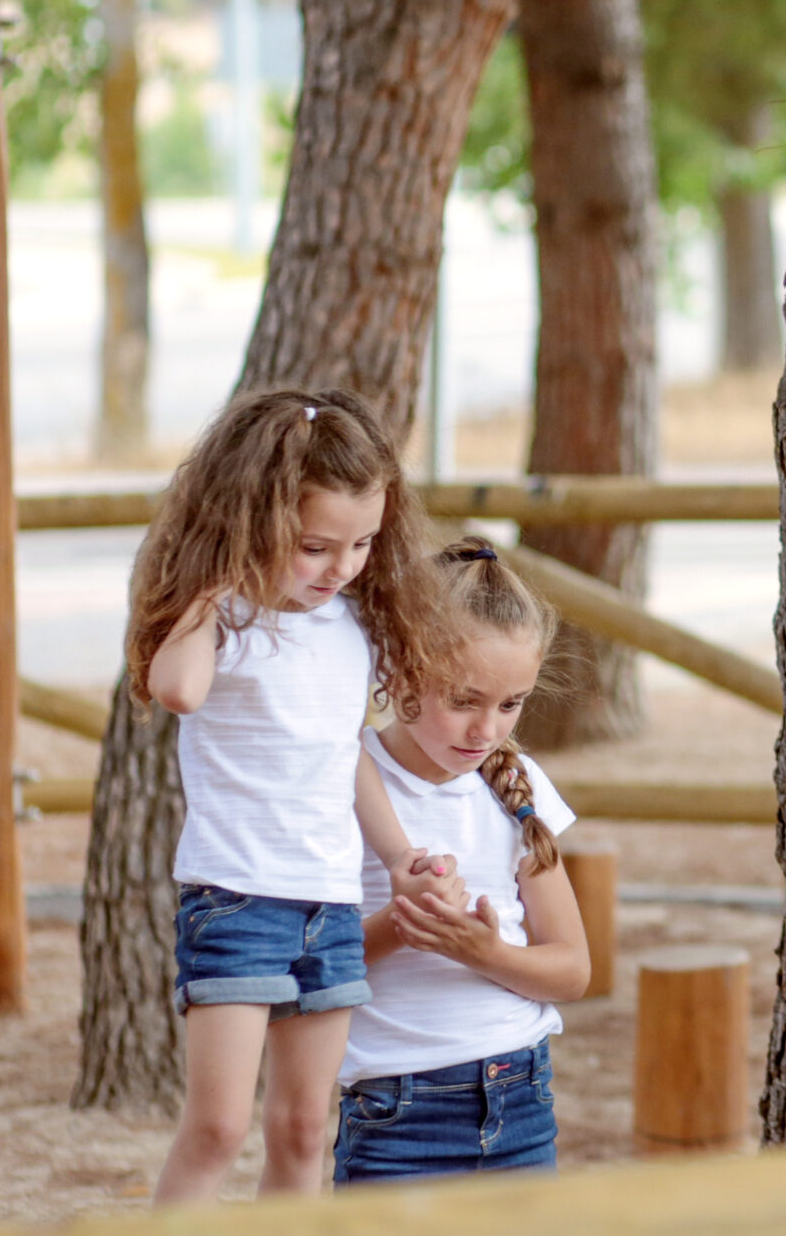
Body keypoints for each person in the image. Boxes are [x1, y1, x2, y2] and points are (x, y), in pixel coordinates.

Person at [134, 389, 458, 1202]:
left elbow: (341, 752)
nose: (342, 567)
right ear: (252, 519)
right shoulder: (226, 619)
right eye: (315, 546)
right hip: (238, 899)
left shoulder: (349, 625)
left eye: (361, 544)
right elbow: (175, 690)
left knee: (304, 1127)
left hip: (331, 903)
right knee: (217, 1127)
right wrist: (209, 590)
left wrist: (397, 853)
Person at [334, 539, 591, 1182]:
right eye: (464, 699)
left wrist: (482, 952)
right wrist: (401, 926)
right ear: (398, 669)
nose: (487, 731)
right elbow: (305, 964)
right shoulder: (345, 780)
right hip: (396, 1115)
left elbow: (572, 970)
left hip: (521, 1096)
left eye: (511, 704)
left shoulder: (518, 785)